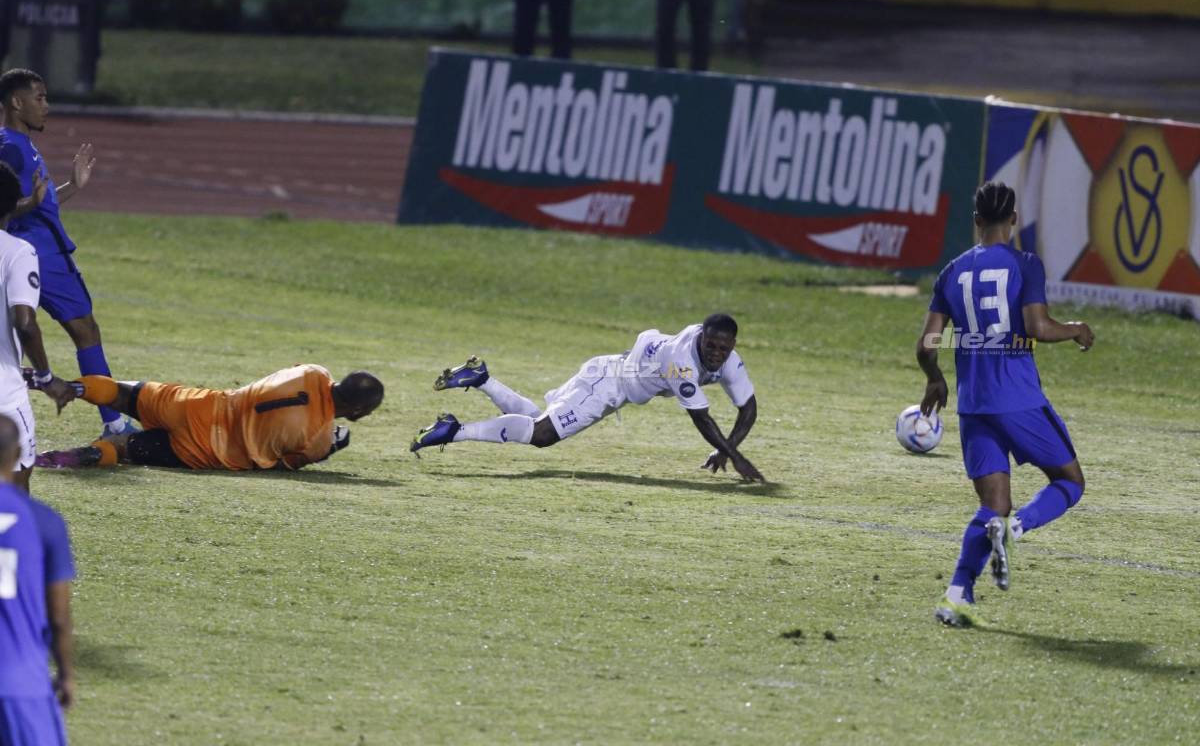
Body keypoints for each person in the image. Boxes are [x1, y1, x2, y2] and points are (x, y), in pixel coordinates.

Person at [916, 181, 1094, 627]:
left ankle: (956, 596)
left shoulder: (951, 272)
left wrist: (936, 377)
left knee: (993, 504)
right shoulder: (1026, 264)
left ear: (975, 221)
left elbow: (927, 342)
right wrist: (1074, 328)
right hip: (1018, 401)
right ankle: (1014, 531)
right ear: (1013, 218)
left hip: (974, 407)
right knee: (1070, 482)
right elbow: (1035, 326)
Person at [411, 313, 765, 483]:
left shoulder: (728, 360)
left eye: (725, 347)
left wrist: (726, 449)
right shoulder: (681, 361)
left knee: (538, 422)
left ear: (733, 346)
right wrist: (736, 457)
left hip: (613, 376)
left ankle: (482, 379)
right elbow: (701, 418)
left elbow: (747, 408)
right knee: (543, 435)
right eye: (712, 344)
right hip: (609, 382)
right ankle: (454, 430)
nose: (717, 353)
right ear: (701, 337)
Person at [0, 67, 136, 439]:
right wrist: (31, 204)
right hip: (42, 258)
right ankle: (115, 423)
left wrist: (71, 187)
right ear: (16, 101)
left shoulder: (18, 142)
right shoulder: (11, 147)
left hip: (31, 253)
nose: (47, 106)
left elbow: (37, 203)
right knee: (85, 332)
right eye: (39, 98)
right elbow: (11, 206)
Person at [35, 365, 384, 471]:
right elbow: (279, 466)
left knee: (118, 392)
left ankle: (55, 384)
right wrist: (329, 448)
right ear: (357, 410)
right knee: (122, 448)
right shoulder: (318, 439)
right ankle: (56, 460)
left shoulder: (312, 371)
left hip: (197, 405)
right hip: (204, 449)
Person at [0, 161, 78, 492]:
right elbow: (25, 324)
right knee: (15, 492)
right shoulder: (17, 252)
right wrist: (45, 377)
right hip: (4, 395)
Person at [0, 414, 74, 746]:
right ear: (16, 456)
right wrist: (67, 674)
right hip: (21, 686)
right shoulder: (44, 521)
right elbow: (59, 618)